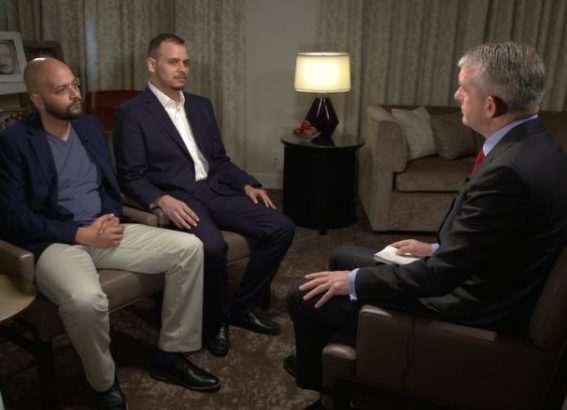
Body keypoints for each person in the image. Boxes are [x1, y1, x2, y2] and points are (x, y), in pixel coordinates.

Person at [285, 41, 567, 408]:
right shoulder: (538, 144)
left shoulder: (508, 173)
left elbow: (439, 278)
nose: (456, 95)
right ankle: (342, 353)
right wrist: (434, 248)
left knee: (302, 294)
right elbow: (505, 239)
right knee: (341, 255)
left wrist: (353, 282)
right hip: (487, 276)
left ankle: (320, 385)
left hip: (475, 302)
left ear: (491, 106)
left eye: (464, 89)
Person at [0, 58, 220, 410]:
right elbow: (13, 217)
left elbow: (107, 183)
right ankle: (103, 384)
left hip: (105, 228)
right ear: (38, 100)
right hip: (57, 241)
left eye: (75, 84)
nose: (75, 94)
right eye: (62, 90)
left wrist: (108, 216)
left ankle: (171, 355)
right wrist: (80, 234)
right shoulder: (14, 142)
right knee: (86, 301)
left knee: (190, 248)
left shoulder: (88, 126)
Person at [114, 33, 295, 357]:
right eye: (173, 62)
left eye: (185, 62)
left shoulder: (200, 105)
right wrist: (162, 200)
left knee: (281, 227)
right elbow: (131, 177)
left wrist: (247, 184)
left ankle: (241, 307)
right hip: (180, 198)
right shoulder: (132, 113)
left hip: (214, 189)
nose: (182, 69)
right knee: (212, 247)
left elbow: (219, 161)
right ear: (152, 65)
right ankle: (214, 323)